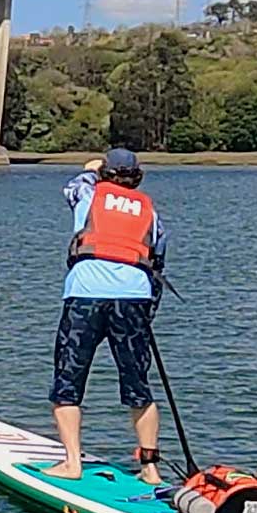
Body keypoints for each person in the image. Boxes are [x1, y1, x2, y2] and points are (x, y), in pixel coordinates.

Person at [40, 147, 170, 484]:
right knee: (138, 385)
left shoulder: (88, 191)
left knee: (67, 381)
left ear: (105, 174)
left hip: (86, 295)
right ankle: (150, 469)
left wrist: (93, 168)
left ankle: (72, 463)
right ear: (136, 177)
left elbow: (73, 186)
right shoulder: (149, 211)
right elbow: (158, 256)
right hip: (133, 299)